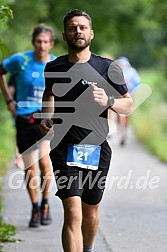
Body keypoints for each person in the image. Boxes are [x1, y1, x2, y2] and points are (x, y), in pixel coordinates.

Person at [40, 9, 133, 252]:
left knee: (90, 212)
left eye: (82, 27)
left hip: (96, 148)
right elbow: (48, 94)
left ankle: (88, 248)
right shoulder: (54, 67)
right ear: (64, 34)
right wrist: (46, 116)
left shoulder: (107, 67)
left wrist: (109, 102)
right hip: (63, 148)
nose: (78, 31)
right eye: (73, 27)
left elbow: (128, 103)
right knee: (72, 211)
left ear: (91, 34)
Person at [0, 23, 56, 227]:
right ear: (33, 42)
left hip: (47, 119)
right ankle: (34, 207)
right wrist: (8, 101)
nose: (42, 45)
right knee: (30, 168)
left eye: (46, 42)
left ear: (51, 44)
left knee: (45, 163)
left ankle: (46, 203)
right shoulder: (21, 60)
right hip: (24, 118)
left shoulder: (57, 63)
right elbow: (1, 71)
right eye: (39, 42)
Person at [108, 56, 141, 145]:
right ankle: (121, 133)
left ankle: (122, 132)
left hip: (126, 96)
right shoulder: (124, 71)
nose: (122, 65)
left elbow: (138, 83)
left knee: (124, 116)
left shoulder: (129, 72)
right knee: (122, 115)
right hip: (122, 96)